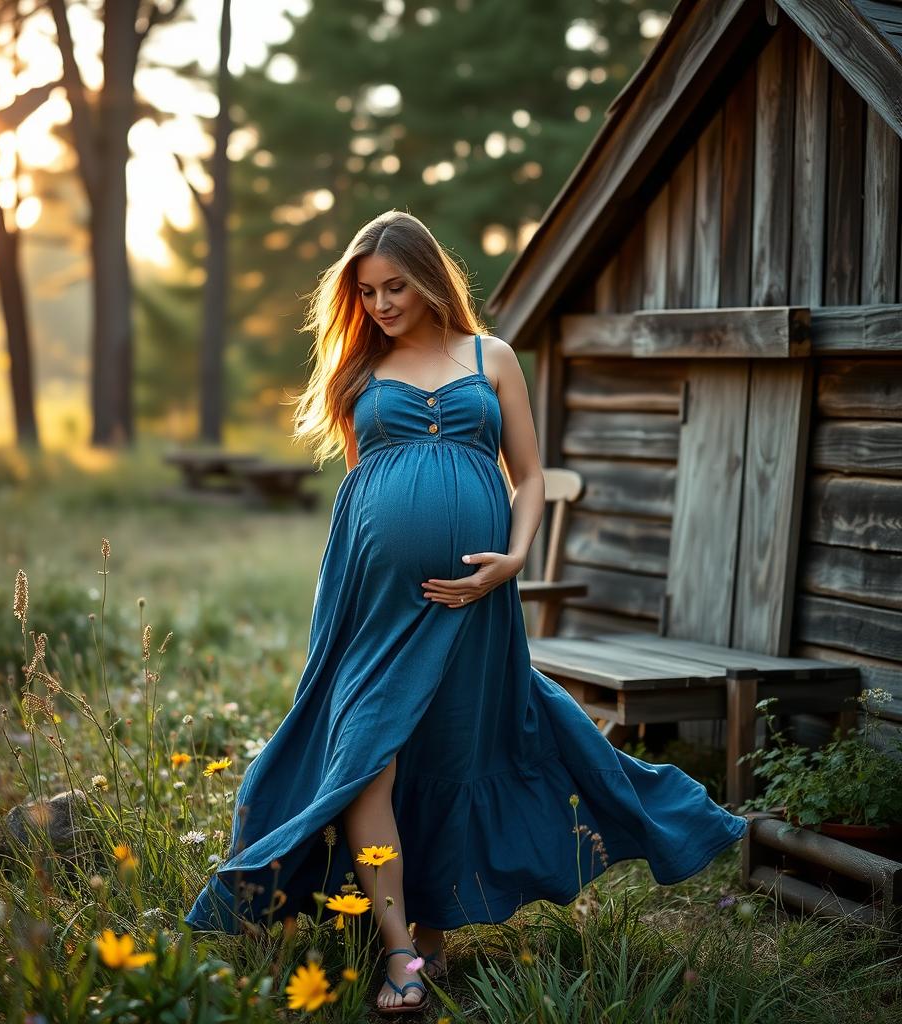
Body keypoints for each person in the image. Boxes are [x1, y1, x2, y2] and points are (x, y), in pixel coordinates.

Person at [185, 210, 749, 1015]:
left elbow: (528, 476)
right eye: (367, 291)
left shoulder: (493, 358)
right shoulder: (359, 369)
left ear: (429, 277)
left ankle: (434, 930)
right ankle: (401, 953)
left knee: (450, 752)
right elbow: (367, 489)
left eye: (395, 287)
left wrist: (513, 560)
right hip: (378, 601)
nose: (380, 304)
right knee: (365, 757)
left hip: (478, 605)